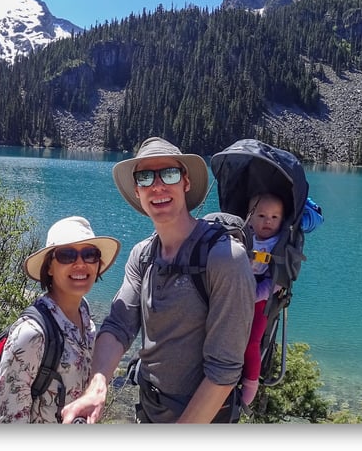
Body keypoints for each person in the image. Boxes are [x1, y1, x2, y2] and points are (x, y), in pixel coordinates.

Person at [61, 136, 256, 423]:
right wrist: (97, 385)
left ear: (186, 183)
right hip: (149, 410)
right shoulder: (142, 255)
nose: (158, 185)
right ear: (138, 192)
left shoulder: (225, 258)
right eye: (145, 177)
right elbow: (118, 326)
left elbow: (223, 371)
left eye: (169, 173)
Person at [0, 216, 121, 423]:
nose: (80, 263)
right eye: (67, 255)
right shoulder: (31, 335)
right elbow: (7, 420)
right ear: (49, 267)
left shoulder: (84, 311)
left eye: (90, 254)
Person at [241, 192, 285, 406]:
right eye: (262, 216)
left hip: (261, 298)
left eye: (275, 217)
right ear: (250, 218)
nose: (268, 221)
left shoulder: (280, 244)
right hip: (235, 291)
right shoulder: (241, 235)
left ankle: (250, 385)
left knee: (252, 343)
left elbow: (278, 281)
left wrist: (255, 294)